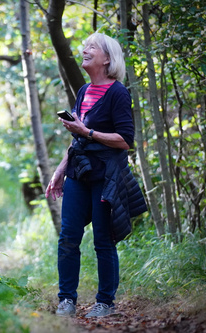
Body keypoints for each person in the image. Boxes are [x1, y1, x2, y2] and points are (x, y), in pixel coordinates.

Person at [45, 32, 147, 318]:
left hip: (105, 175)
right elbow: (78, 140)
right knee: (68, 237)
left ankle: (105, 302)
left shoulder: (118, 92)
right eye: (85, 46)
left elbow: (125, 139)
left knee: (103, 239)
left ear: (107, 59)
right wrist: (60, 170)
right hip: (79, 173)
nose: (85, 49)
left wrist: (87, 131)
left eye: (92, 47)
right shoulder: (84, 91)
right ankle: (66, 300)